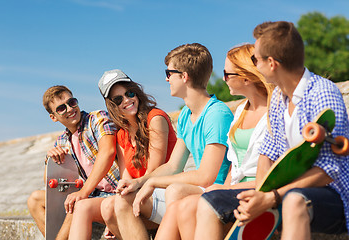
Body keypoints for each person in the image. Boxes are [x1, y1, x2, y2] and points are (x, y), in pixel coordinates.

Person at [195, 21, 349, 240]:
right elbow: (267, 154)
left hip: (335, 197)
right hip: (280, 193)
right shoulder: (278, 97)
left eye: (255, 59)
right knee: (210, 202)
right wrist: (259, 195)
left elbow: (328, 171)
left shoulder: (322, 93)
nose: (254, 66)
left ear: (272, 63)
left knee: (295, 200)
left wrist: (270, 198)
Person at [100, 43, 234, 240]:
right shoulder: (187, 115)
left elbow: (206, 176)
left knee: (175, 190)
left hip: (215, 192)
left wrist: (153, 181)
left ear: (184, 76)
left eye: (169, 73)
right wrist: (140, 182)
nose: (166, 78)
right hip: (198, 189)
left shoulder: (216, 113)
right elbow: (173, 165)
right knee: (121, 201)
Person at [155, 43, 275, 240]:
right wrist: (144, 183)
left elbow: (266, 175)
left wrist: (224, 188)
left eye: (228, 74)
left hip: (255, 190)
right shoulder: (241, 112)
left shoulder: (271, 112)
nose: (223, 79)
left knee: (183, 201)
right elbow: (233, 165)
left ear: (245, 77)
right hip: (232, 188)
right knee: (181, 205)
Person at [68, 69, 177, 239]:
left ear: (137, 92)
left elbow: (154, 172)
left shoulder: (155, 118)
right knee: (97, 207)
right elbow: (125, 177)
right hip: (138, 195)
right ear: (112, 105)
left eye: (130, 93)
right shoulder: (121, 133)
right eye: (118, 99)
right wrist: (114, 215)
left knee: (116, 205)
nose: (127, 100)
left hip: (161, 191)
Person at [27, 85, 119, 239]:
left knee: (76, 203)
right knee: (34, 200)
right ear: (54, 117)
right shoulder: (62, 141)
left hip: (114, 194)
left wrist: (83, 193)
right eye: (62, 108)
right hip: (92, 195)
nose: (70, 109)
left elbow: (108, 152)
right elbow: (51, 186)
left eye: (72, 102)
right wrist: (50, 160)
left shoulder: (96, 119)